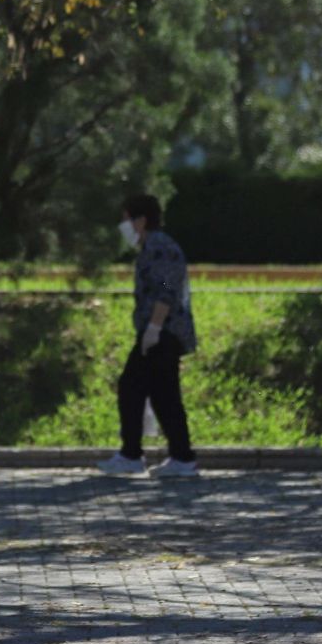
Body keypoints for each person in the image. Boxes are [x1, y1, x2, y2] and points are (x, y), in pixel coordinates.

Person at [98, 193, 199, 478]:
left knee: (131, 386)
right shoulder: (151, 247)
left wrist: (154, 328)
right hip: (159, 331)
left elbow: (166, 286)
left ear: (141, 220)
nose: (124, 226)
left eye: (126, 219)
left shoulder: (160, 247)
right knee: (164, 395)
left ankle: (132, 454)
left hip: (163, 331)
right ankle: (182, 457)